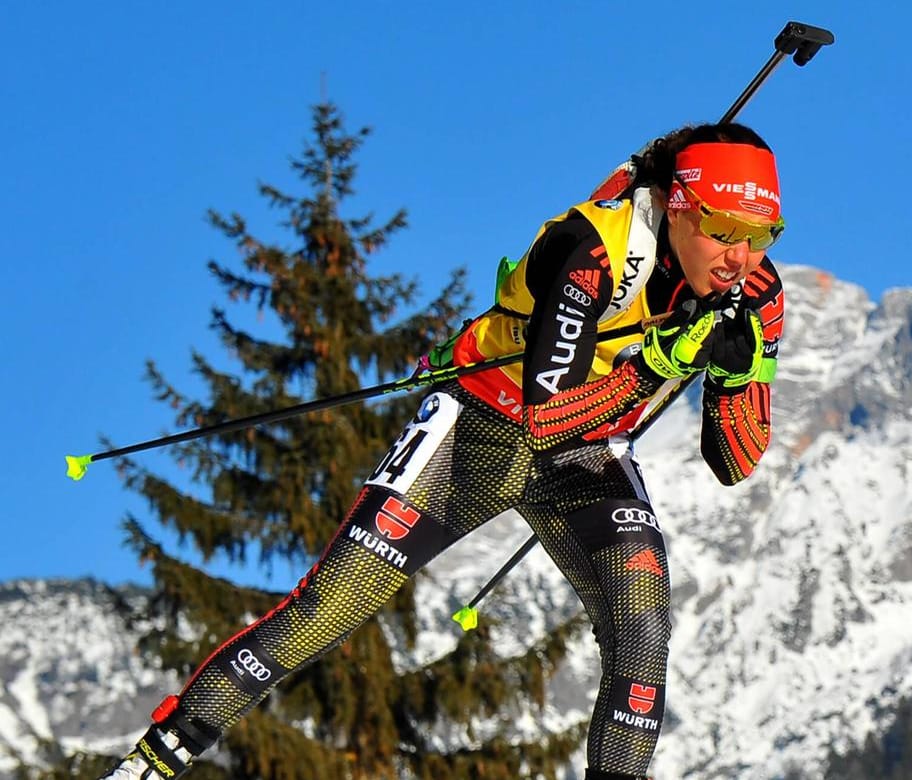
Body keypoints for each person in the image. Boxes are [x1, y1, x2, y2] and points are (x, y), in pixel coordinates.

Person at [101, 121, 786, 780]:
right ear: (676, 206)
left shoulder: (755, 293)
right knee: (327, 611)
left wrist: (739, 373)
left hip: (588, 448)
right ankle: (153, 760)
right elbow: (546, 420)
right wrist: (655, 365)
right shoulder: (595, 248)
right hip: (481, 425)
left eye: (762, 237)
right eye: (724, 231)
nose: (741, 257)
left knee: (643, 629)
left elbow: (736, 463)